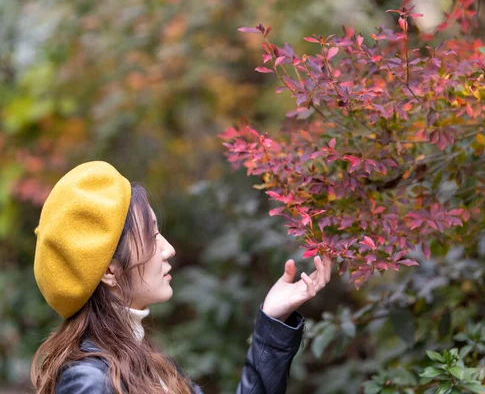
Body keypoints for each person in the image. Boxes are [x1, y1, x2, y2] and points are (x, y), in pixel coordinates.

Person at [30, 161, 333, 394]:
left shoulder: (145, 362)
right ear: (109, 270)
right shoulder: (91, 381)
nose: (169, 250)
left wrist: (272, 320)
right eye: (152, 236)